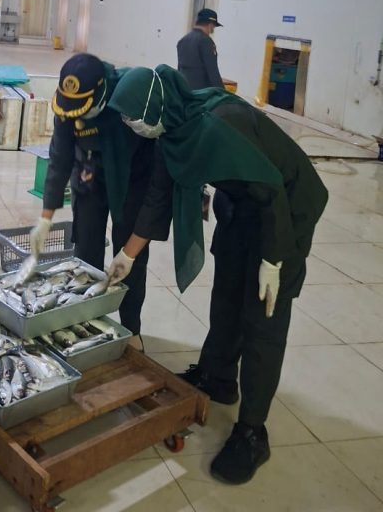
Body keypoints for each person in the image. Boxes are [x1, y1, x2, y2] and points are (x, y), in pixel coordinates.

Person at [106, 65, 328, 485]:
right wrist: (127, 255)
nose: (129, 124)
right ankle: (218, 376)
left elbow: (272, 191)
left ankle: (253, 433)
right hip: (241, 203)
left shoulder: (218, 126)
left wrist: (274, 261)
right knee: (226, 293)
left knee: (262, 316)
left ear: (152, 107)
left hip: (284, 207)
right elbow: (158, 197)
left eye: (131, 117)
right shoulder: (172, 128)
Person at [28, 53, 155, 349]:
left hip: (132, 178)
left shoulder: (130, 96)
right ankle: (86, 324)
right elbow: (59, 158)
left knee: (130, 260)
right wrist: (46, 217)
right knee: (85, 252)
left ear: (101, 93)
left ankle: (131, 328)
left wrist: (129, 252)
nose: (80, 115)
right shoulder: (67, 105)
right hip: (89, 178)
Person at [176, 7, 224, 89]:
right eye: (214, 26)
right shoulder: (206, 41)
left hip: (184, 90)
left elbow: (180, 69)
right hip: (201, 92)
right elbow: (212, 71)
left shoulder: (182, 41)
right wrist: (222, 92)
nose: (213, 29)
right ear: (210, 25)